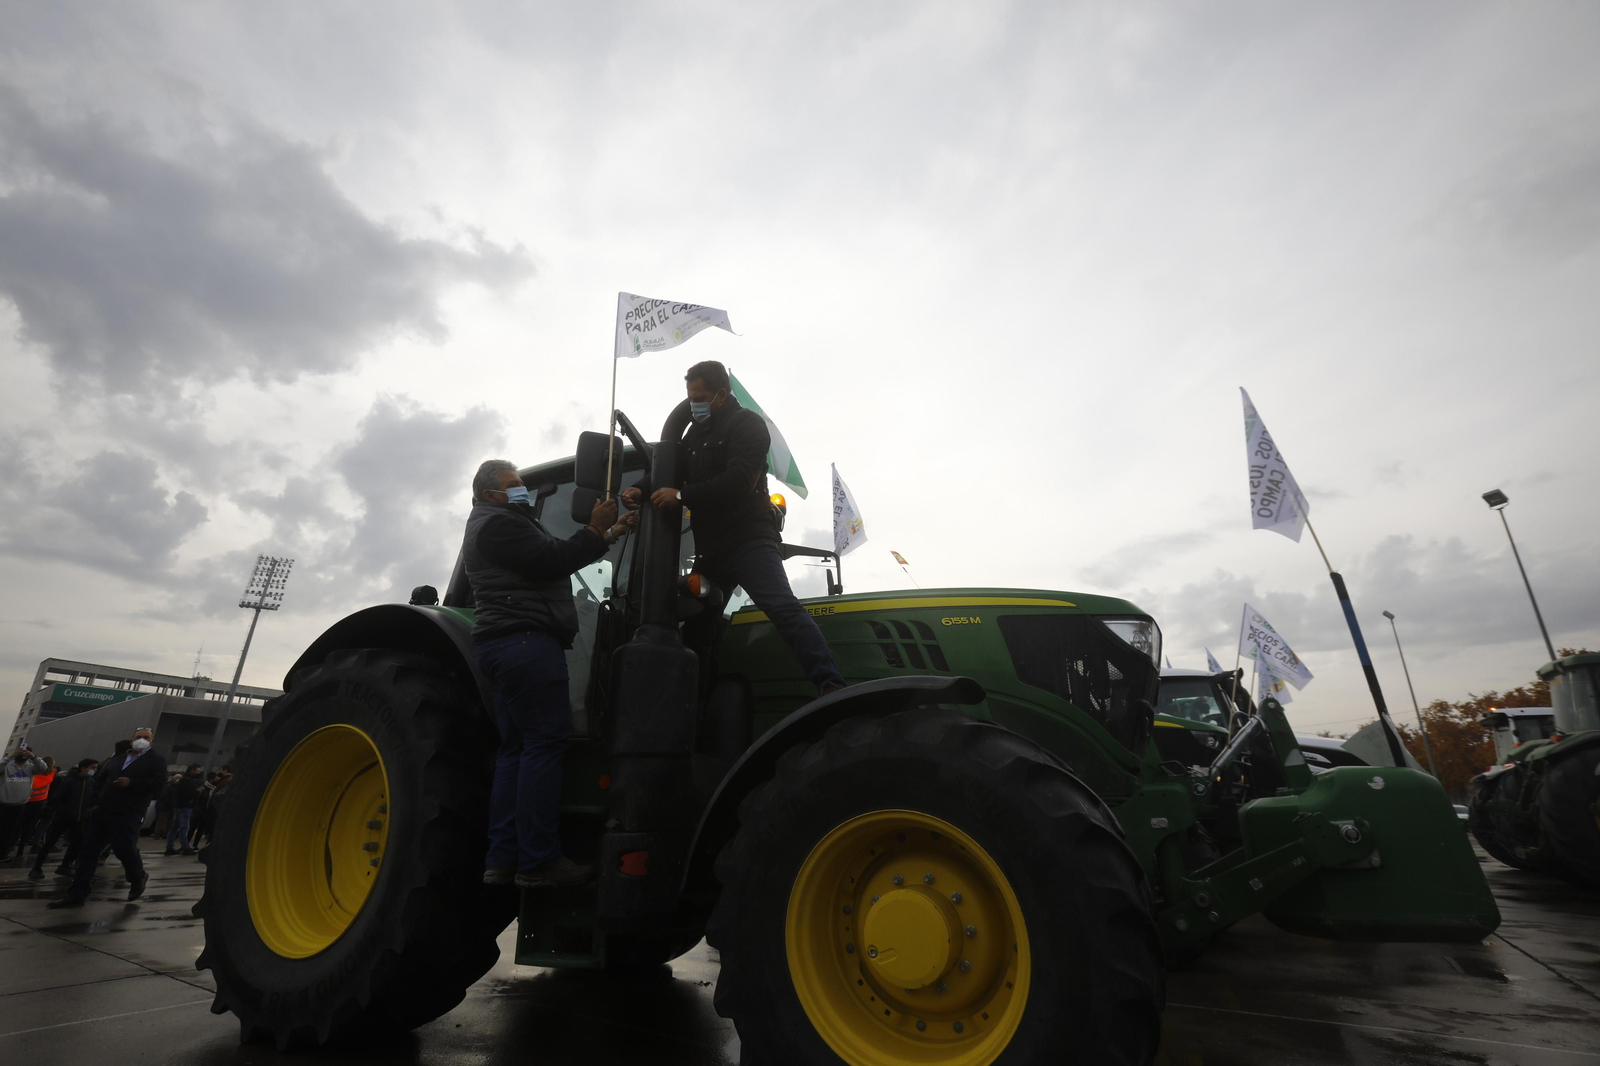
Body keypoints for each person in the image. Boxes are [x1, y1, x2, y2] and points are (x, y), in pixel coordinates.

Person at [622, 360, 845, 696]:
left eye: (699, 398)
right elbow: (671, 470)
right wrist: (640, 489)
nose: (693, 406)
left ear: (721, 395)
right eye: (690, 398)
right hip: (711, 552)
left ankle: (829, 683)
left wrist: (681, 496)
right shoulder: (694, 436)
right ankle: (694, 704)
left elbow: (739, 481)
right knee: (698, 629)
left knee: (781, 606)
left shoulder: (748, 426)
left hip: (748, 542)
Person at [464, 457, 634, 889]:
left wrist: (611, 532)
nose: (520, 489)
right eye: (514, 484)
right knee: (544, 744)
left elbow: (556, 555)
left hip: (506, 645)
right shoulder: (499, 525)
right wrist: (595, 527)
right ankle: (538, 861)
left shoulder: (497, 523)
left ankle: (503, 859)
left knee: (516, 750)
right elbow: (553, 558)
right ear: (491, 494)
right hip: (525, 643)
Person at [48, 728, 166, 908]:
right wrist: (94, 804)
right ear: (131, 740)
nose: (141, 740)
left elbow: (159, 783)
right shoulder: (117, 759)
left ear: (152, 742)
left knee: (123, 848)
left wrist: (132, 783)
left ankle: (138, 876)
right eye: (138, 737)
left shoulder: (156, 760)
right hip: (103, 811)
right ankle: (77, 894)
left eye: (146, 738)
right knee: (88, 851)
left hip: (128, 812)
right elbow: (100, 781)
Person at [28, 758, 99, 880]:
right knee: (50, 842)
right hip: (62, 818)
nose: (95, 770)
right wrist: (66, 812)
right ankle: (36, 867)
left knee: (78, 842)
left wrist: (87, 811)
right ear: (83, 768)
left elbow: (90, 799)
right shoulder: (69, 781)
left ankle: (65, 865)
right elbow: (56, 799)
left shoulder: (90, 782)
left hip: (80, 818)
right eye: (93, 768)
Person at [1, 745, 50, 860]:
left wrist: (33, 757)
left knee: (10, 831)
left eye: (26, 752)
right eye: (21, 751)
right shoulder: (7, 765)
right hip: (3, 803)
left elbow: (43, 767)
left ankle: (3, 853)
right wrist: (11, 756)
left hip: (20, 804)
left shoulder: (30, 767)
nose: (23, 754)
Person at [164, 765, 203, 856]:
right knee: (184, 827)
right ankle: (185, 847)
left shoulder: (185, 780)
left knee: (175, 827)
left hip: (180, 806)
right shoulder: (187, 781)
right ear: (192, 770)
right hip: (184, 806)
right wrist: (197, 792)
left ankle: (169, 847)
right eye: (197, 771)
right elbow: (187, 793)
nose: (198, 773)